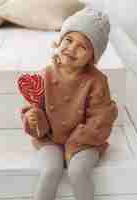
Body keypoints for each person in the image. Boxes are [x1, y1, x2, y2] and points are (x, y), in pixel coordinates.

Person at [19, 7, 119, 200]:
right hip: (49, 137)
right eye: (69, 40)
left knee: (78, 172)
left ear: (93, 56)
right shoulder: (45, 74)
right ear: (60, 41)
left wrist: (74, 145)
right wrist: (34, 117)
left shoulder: (97, 81)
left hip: (85, 141)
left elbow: (101, 118)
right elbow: (34, 106)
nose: (72, 49)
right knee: (50, 170)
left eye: (82, 47)